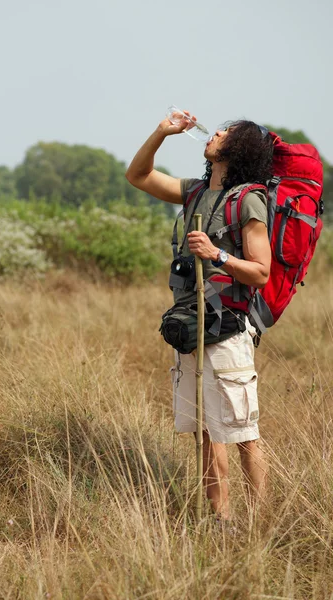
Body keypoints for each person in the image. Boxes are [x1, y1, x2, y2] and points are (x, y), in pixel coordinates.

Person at [125, 112, 274, 523]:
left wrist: (218, 255)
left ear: (239, 148)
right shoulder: (193, 192)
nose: (216, 132)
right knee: (208, 433)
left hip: (228, 329)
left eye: (227, 132)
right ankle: (222, 523)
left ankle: (261, 525)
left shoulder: (249, 200)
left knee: (243, 435)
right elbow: (138, 176)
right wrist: (161, 132)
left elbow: (261, 272)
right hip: (192, 327)